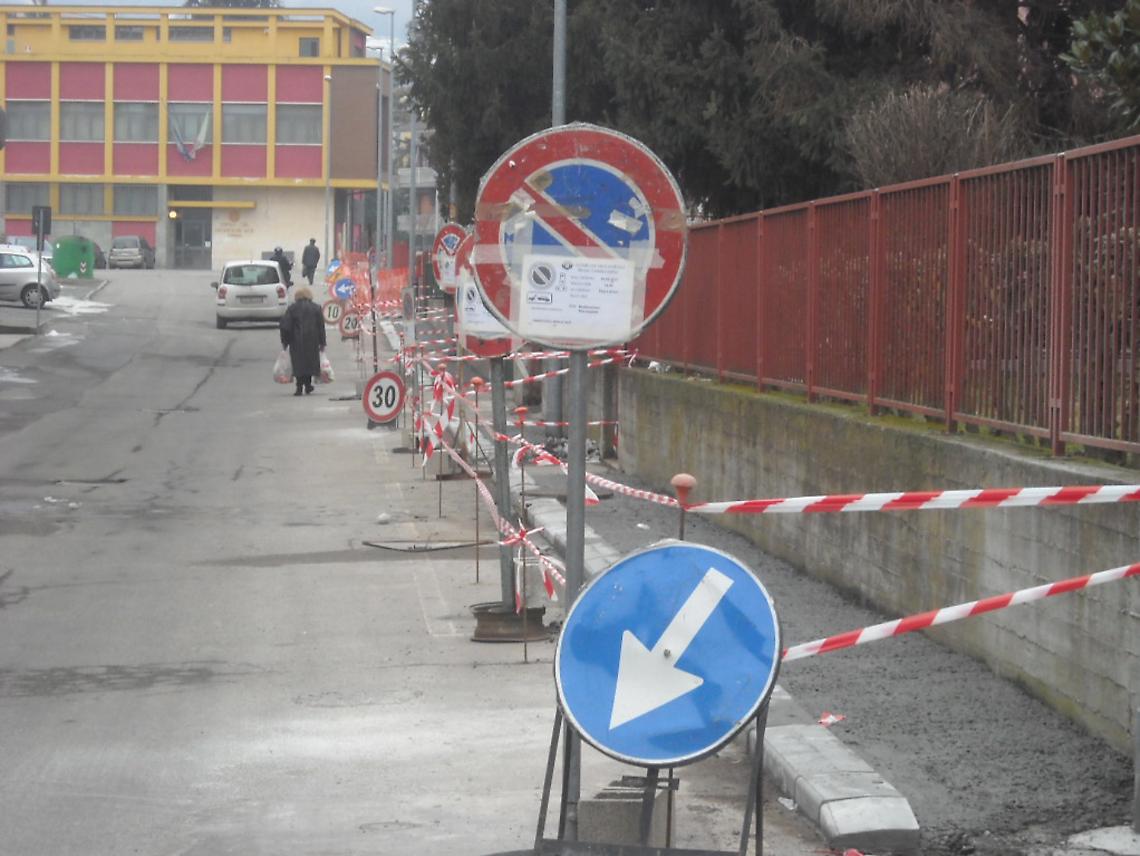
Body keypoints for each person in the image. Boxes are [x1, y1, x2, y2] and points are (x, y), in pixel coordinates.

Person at [279, 286, 325, 396]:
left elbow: (285, 326)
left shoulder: (292, 309)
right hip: (312, 340)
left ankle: (299, 386)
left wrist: (285, 341)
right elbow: (321, 327)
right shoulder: (316, 308)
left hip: (296, 340)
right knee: (310, 362)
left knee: (298, 363)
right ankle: (308, 385)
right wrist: (322, 342)